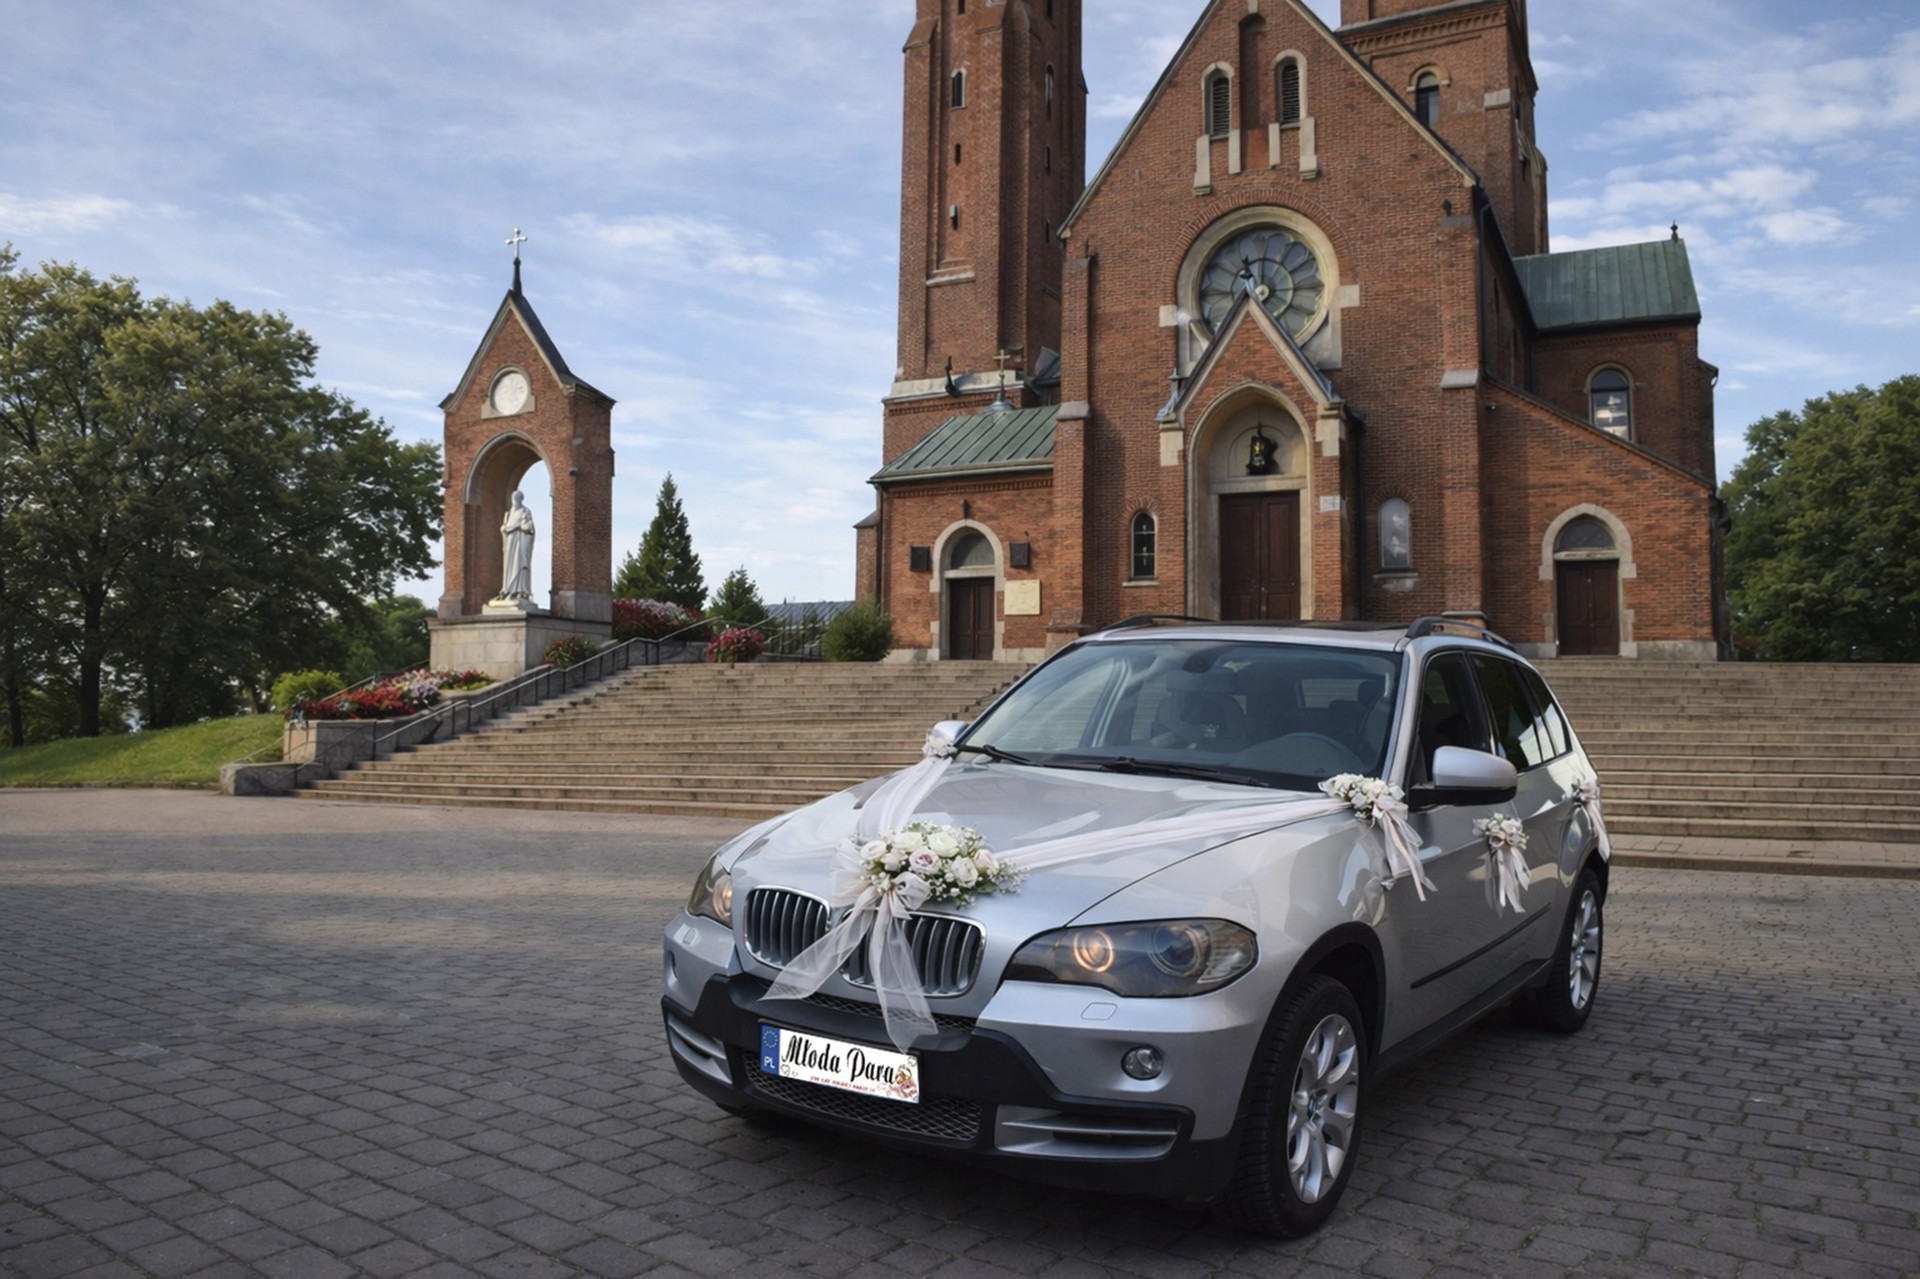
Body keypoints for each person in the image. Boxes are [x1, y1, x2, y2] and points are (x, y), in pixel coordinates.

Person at [500, 490, 536, 601]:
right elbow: (504, 527)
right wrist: (504, 529)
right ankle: (508, 590)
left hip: (521, 541)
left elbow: (530, 528)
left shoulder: (525, 511)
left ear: (521, 499)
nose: (515, 500)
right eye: (514, 498)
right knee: (509, 565)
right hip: (510, 541)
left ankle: (520, 590)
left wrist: (522, 526)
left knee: (520, 564)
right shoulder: (508, 514)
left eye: (518, 498)